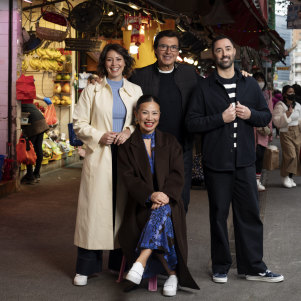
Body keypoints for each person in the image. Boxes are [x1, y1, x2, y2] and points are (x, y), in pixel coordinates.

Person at [185, 35, 284, 284]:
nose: (224, 53)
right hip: (216, 163)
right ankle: (220, 265)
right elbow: (192, 123)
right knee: (218, 215)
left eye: (228, 48)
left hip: (245, 163)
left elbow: (264, 117)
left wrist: (250, 114)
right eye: (219, 50)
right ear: (214, 55)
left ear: (234, 52)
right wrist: (221, 118)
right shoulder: (204, 87)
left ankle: (253, 267)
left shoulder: (249, 85)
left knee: (249, 214)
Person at [72, 43, 143, 286]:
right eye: (110, 60)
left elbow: (143, 120)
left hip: (126, 155)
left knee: (122, 210)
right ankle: (86, 267)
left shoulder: (135, 90)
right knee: (93, 211)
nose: (114, 64)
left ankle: (118, 264)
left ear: (126, 62)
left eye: (119, 59)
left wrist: (128, 130)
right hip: (99, 154)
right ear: (104, 63)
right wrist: (98, 135)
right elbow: (78, 123)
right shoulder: (92, 89)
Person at [118, 95, 199, 297]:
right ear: (136, 115)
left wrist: (163, 195)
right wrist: (150, 195)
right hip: (141, 204)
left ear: (160, 116)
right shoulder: (128, 145)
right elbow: (128, 179)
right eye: (145, 112)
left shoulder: (170, 142)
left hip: (169, 201)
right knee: (163, 216)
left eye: (154, 113)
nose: (149, 117)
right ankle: (173, 274)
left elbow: (178, 174)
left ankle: (140, 261)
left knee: (163, 210)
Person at [129, 30, 199, 212]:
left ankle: (175, 240)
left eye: (173, 47)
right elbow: (121, 95)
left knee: (180, 200)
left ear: (178, 52)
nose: (168, 51)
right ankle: (150, 240)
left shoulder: (189, 74)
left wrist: (241, 76)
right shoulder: (139, 76)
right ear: (155, 49)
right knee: (149, 201)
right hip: (147, 149)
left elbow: (211, 89)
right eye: (164, 46)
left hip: (180, 149)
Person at [272, 85, 301, 188]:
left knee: (296, 156)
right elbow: (276, 122)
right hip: (286, 132)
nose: (292, 94)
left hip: (297, 132)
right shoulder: (280, 105)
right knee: (290, 155)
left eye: (293, 92)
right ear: (284, 94)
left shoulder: (297, 105)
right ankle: (284, 176)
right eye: (289, 92)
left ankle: (290, 177)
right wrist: (287, 115)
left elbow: (300, 119)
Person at [253, 72, 273, 191]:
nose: (259, 82)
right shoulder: (248, 93)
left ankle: (257, 180)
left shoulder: (268, 94)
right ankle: (251, 180)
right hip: (251, 130)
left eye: (261, 79)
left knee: (260, 155)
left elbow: (270, 112)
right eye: (257, 79)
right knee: (251, 156)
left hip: (263, 129)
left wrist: (270, 129)